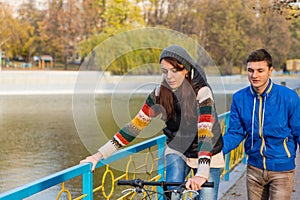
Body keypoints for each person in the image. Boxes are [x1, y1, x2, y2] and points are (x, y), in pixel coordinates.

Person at [80, 45, 224, 200]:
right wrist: (98, 156)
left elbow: (205, 134)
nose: (169, 76)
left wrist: (201, 174)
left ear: (186, 70)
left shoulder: (202, 93)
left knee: (206, 197)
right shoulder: (158, 94)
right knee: (172, 193)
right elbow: (134, 127)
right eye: (164, 71)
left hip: (207, 152)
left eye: (174, 70)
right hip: (178, 148)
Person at [222, 49, 300, 200]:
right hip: (254, 169)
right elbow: (235, 133)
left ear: (271, 71)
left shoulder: (288, 97)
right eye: (250, 70)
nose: (254, 75)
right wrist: (214, 150)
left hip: (281, 169)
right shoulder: (240, 98)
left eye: (260, 70)